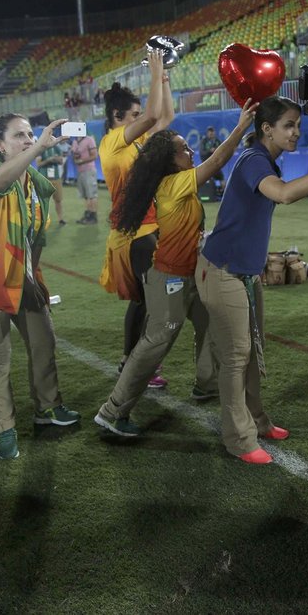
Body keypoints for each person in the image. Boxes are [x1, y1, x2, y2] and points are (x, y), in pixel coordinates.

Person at [198, 97, 308, 463]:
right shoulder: (256, 160)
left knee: (252, 355)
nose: (296, 133)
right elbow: (285, 194)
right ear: (266, 129)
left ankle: (257, 422)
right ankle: (239, 439)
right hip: (223, 270)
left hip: (242, 272)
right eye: (288, 125)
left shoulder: (264, 159)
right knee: (236, 357)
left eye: (298, 126)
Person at [94, 102, 257, 440]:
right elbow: (216, 162)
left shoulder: (177, 183)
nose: (190, 151)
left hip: (188, 273)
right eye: (184, 149)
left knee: (208, 322)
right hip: (169, 277)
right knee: (156, 341)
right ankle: (112, 411)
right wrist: (240, 129)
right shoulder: (174, 184)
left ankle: (206, 384)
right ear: (169, 161)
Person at [0, 115, 82, 460]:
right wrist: (40, 146)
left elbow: (32, 239)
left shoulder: (35, 184)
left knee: (43, 340)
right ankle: (3, 428)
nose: (28, 139)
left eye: (30, 134)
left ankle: (48, 408)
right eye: (19, 136)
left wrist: (34, 278)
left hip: (22, 277)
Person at [98, 51, 177, 390]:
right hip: (134, 234)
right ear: (117, 117)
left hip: (148, 228)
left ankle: (136, 361)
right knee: (148, 301)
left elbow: (165, 117)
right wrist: (155, 70)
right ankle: (134, 362)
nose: (138, 118)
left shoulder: (133, 141)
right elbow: (152, 115)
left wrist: (163, 79)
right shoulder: (113, 142)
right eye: (131, 114)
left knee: (148, 301)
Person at [37, 137, 68, 226]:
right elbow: (39, 164)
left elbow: (61, 161)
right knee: (43, 201)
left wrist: (56, 159)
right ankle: (42, 220)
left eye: (51, 138)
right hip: (44, 178)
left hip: (56, 177)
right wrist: (49, 160)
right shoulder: (40, 149)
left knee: (58, 200)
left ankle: (60, 219)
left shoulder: (57, 148)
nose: (50, 140)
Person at [70, 133, 99, 224]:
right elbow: (75, 155)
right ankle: (88, 215)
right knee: (86, 195)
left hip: (89, 170)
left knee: (92, 194)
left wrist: (81, 161)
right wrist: (75, 157)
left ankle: (93, 216)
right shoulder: (75, 141)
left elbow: (94, 155)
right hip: (80, 171)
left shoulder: (89, 139)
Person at [199, 126, 226, 198]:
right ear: (207, 133)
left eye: (212, 132)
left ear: (214, 132)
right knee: (204, 180)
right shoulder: (204, 141)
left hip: (216, 165)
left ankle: (224, 195)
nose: (211, 133)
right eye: (209, 132)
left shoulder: (217, 141)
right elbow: (202, 152)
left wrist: (217, 151)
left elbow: (223, 151)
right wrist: (210, 151)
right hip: (206, 165)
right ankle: (203, 195)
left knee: (222, 179)